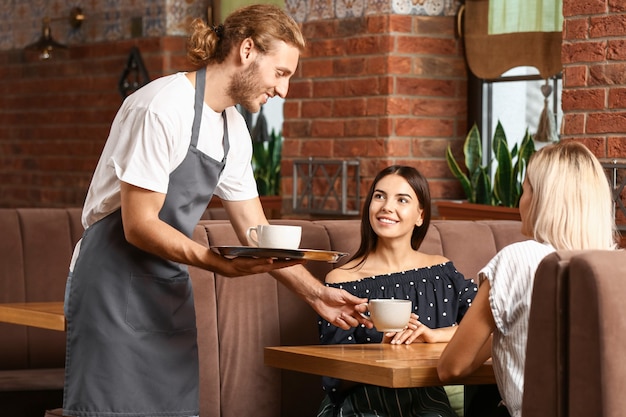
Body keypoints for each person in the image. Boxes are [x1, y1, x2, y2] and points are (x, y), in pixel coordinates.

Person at [62, 5, 370, 417]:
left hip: (166, 286)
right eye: (281, 73)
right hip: (111, 285)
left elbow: (255, 230)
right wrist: (214, 262)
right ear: (246, 50)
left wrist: (316, 295)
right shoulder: (161, 107)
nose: (284, 91)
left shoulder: (232, 129)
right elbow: (138, 225)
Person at [437, 141, 618, 417]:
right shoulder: (614, 265)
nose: (520, 201)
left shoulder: (518, 259)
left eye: (524, 190)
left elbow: (451, 368)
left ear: (542, 199)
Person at [317, 165, 478, 417]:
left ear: (420, 216)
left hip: (427, 399)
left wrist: (432, 335)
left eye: (402, 199)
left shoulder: (441, 271)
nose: (386, 207)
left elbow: (488, 322)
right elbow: (335, 378)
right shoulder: (341, 281)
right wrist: (382, 348)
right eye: (379, 196)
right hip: (359, 403)